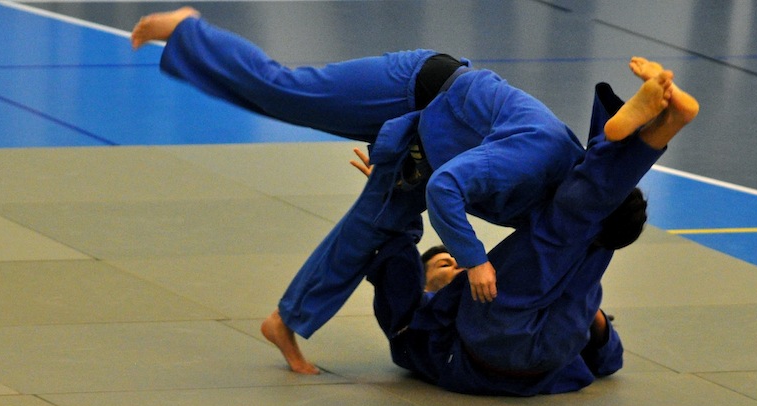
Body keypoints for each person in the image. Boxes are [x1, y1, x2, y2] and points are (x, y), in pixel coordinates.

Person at [131, 8, 586, 373]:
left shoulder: (556, 206)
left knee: (372, 226)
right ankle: (189, 30)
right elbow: (447, 188)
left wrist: (401, 161)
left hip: (427, 143)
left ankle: (286, 321)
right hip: (415, 89)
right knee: (285, 92)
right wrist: (474, 259)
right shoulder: (542, 153)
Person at [361, 61, 699, 395]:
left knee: (603, 226)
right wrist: (391, 202)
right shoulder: (416, 327)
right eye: (444, 265)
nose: (458, 265)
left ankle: (650, 130)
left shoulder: (493, 289)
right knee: (561, 227)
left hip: (553, 342)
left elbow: (611, 360)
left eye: (454, 260)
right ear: (423, 283)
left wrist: (590, 314)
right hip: (495, 341)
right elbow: (395, 262)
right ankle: (632, 133)